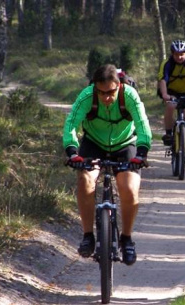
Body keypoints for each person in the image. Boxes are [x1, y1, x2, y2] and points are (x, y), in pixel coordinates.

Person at [62, 64, 152, 266]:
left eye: (111, 92)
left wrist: (142, 152)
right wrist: (72, 152)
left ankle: (126, 239)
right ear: (95, 88)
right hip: (93, 143)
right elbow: (71, 125)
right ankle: (88, 236)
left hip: (125, 144)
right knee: (86, 182)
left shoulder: (130, 96)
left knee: (129, 189)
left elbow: (143, 124)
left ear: (119, 86)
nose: (106, 98)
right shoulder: (86, 96)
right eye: (101, 93)